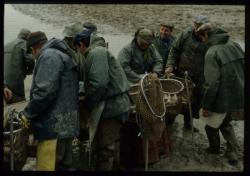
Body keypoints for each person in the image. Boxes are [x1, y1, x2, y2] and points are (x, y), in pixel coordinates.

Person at [19, 31, 80, 171]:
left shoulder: (48, 56)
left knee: (48, 166)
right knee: (64, 166)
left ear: (33, 49)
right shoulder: (62, 54)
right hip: (66, 125)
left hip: (53, 128)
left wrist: (27, 114)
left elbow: (45, 92)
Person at [73, 30, 131, 171]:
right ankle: (115, 166)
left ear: (81, 45)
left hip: (112, 107)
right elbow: (96, 81)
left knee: (105, 147)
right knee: (113, 141)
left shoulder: (95, 53)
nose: (77, 52)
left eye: (76, 49)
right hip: (119, 104)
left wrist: (88, 104)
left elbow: (99, 84)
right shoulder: (99, 52)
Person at [196, 23, 244, 165]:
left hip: (222, 97)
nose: (202, 41)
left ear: (206, 35)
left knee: (210, 126)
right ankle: (233, 152)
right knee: (226, 123)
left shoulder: (212, 53)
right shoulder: (234, 44)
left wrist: (206, 106)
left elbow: (212, 84)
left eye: (202, 37)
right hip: (239, 93)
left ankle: (214, 149)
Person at [165, 15, 210, 132]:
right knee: (176, 99)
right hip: (182, 73)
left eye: (199, 26)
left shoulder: (209, 37)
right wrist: (170, 65)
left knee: (194, 102)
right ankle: (169, 123)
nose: (197, 28)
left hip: (200, 76)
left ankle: (188, 123)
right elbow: (174, 50)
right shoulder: (185, 34)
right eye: (195, 25)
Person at [4, 28, 35, 104]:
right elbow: (30, 60)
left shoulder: (7, 44)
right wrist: (29, 71)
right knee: (19, 101)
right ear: (28, 38)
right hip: (16, 79)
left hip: (4, 79)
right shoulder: (24, 44)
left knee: (7, 98)